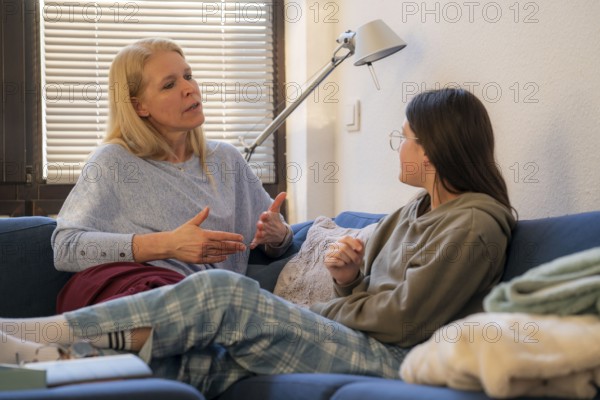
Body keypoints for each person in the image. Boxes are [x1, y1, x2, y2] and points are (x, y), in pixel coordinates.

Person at [1, 88, 516, 399]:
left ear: (433, 150)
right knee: (189, 363)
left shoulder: (474, 226)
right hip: (361, 337)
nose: (397, 147)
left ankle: (29, 332)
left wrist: (322, 310)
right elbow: (370, 295)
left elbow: (406, 322)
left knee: (225, 293)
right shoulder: (413, 211)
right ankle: (18, 379)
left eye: (403, 137)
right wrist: (347, 278)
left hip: (394, 359)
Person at [50, 38, 293, 311]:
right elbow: (66, 248)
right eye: (169, 84)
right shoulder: (113, 162)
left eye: (188, 76)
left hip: (224, 308)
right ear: (139, 106)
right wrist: (167, 245)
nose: (189, 89)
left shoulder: (226, 159)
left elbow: (275, 242)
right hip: (161, 307)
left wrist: (279, 235)